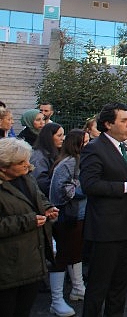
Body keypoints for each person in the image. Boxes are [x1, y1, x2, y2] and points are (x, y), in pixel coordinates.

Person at [79, 103, 127, 316]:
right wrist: (126, 186)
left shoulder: (123, 148)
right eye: (124, 120)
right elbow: (90, 185)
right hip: (106, 231)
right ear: (108, 124)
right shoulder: (94, 148)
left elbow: (124, 178)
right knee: (98, 289)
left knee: (119, 288)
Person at [0, 138, 58, 317]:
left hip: (32, 261)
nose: (28, 164)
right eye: (21, 162)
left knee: (24, 310)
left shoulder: (26, 177)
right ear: (4, 166)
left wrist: (47, 207)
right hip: (7, 268)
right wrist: (28, 221)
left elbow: (38, 197)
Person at [48, 129, 89, 317]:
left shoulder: (79, 160)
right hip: (69, 216)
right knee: (64, 255)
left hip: (79, 215)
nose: (89, 145)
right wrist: (88, 188)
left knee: (76, 252)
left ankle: (78, 288)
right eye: (85, 141)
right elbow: (62, 189)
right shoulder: (69, 162)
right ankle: (56, 300)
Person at [30, 122, 64, 197]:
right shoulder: (38, 156)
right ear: (49, 137)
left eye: (63, 135)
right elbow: (40, 181)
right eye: (59, 135)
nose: (62, 138)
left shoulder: (54, 152)